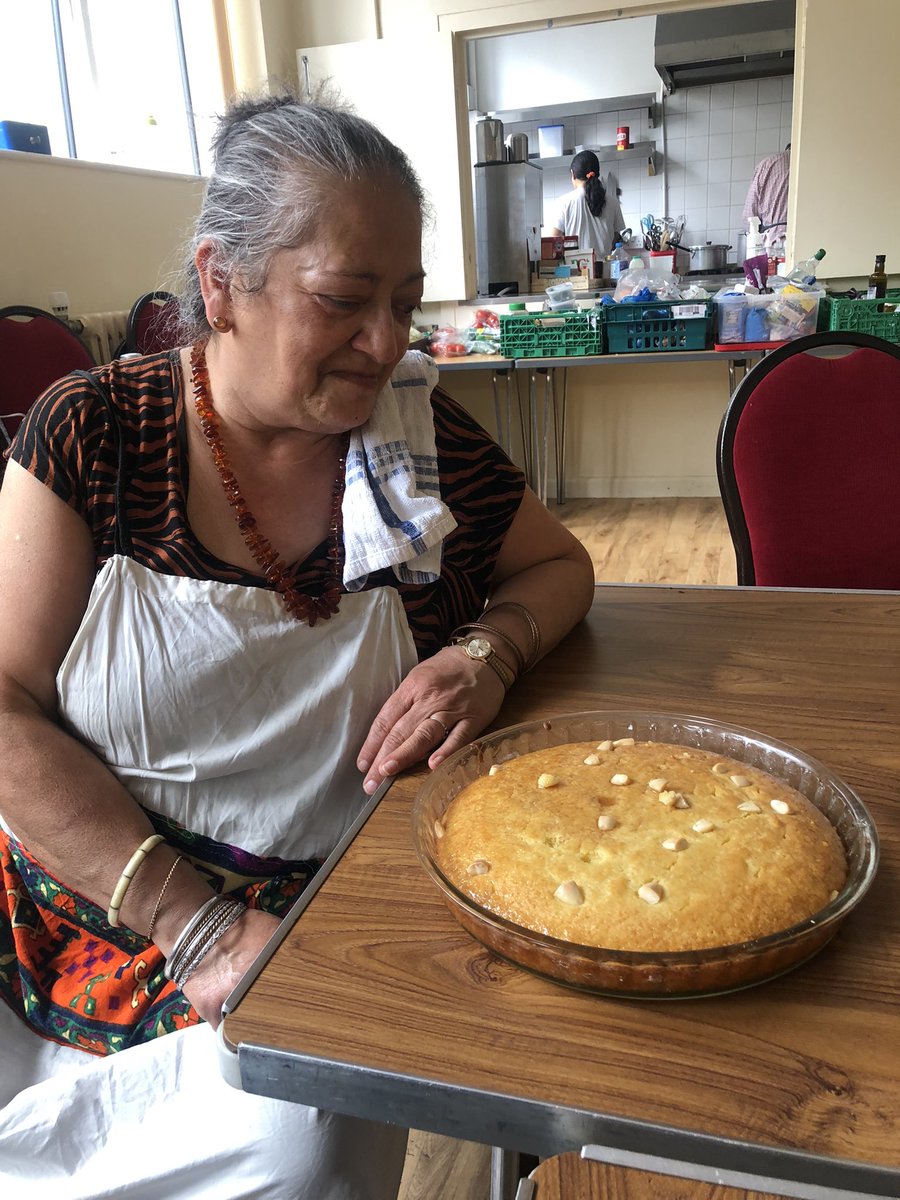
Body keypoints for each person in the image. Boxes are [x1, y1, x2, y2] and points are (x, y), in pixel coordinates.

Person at [0, 92, 594, 1198]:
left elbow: (561, 568)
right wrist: (200, 927)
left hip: (325, 924)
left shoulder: (412, 442)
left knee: (295, 1147)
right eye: (345, 302)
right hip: (98, 899)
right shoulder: (94, 435)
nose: (386, 345)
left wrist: (489, 653)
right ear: (221, 281)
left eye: (406, 303)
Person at [550, 149, 626, 261]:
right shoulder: (613, 202)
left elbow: (553, 242)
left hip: (574, 272)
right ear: (597, 174)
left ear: (573, 174)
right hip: (604, 271)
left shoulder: (564, 203)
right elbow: (615, 238)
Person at [743, 143, 790, 246]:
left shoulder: (768, 164)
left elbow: (749, 216)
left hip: (774, 243)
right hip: (807, 238)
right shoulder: (815, 164)